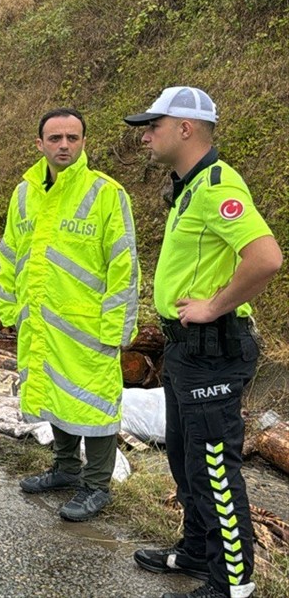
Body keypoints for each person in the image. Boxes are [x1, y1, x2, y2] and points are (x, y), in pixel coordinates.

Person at [124, 87, 281, 598]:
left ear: (185, 128)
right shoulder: (188, 186)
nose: (146, 136)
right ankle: (195, 550)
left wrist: (213, 306)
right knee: (187, 457)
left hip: (214, 345)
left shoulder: (217, 186)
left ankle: (233, 580)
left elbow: (265, 258)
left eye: (154, 126)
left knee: (215, 463)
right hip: (187, 348)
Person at [0, 108, 140, 522]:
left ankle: (96, 486)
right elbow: (9, 252)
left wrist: (118, 325)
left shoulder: (106, 193)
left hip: (89, 325)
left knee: (94, 405)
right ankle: (65, 468)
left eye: (72, 138)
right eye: (55, 138)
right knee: (54, 394)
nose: (64, 146)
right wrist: (7, 304)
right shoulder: (24, 192)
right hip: (40, 320)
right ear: (39, 144)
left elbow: (124, 265)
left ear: (83, 143)